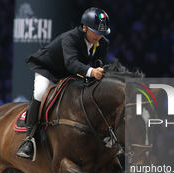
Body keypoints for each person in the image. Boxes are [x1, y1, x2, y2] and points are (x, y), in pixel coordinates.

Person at [17, 7, 110, 160]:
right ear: (84, 27)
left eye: (101, 33)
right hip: (49, 69)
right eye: (95, 31)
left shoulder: (102, 43)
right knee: (40, 92)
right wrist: (92, 72)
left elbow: (98, 63)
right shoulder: (70, 38)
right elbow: (71, 63)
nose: (98, 36)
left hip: (72, 74)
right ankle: (29, 139)